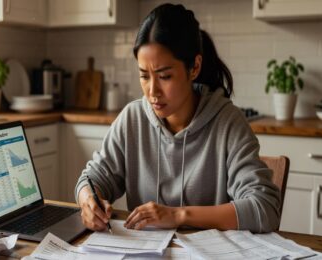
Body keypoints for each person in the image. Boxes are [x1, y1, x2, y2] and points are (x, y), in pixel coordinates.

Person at [75, 3, 281, 233]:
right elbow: (91, 180)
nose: (152, 91)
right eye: (144, 75)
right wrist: (88, 202)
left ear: (194, 67)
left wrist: (177, 215)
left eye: (164, 76)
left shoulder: (228, 123)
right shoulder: (132, 119)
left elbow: (265, 208)